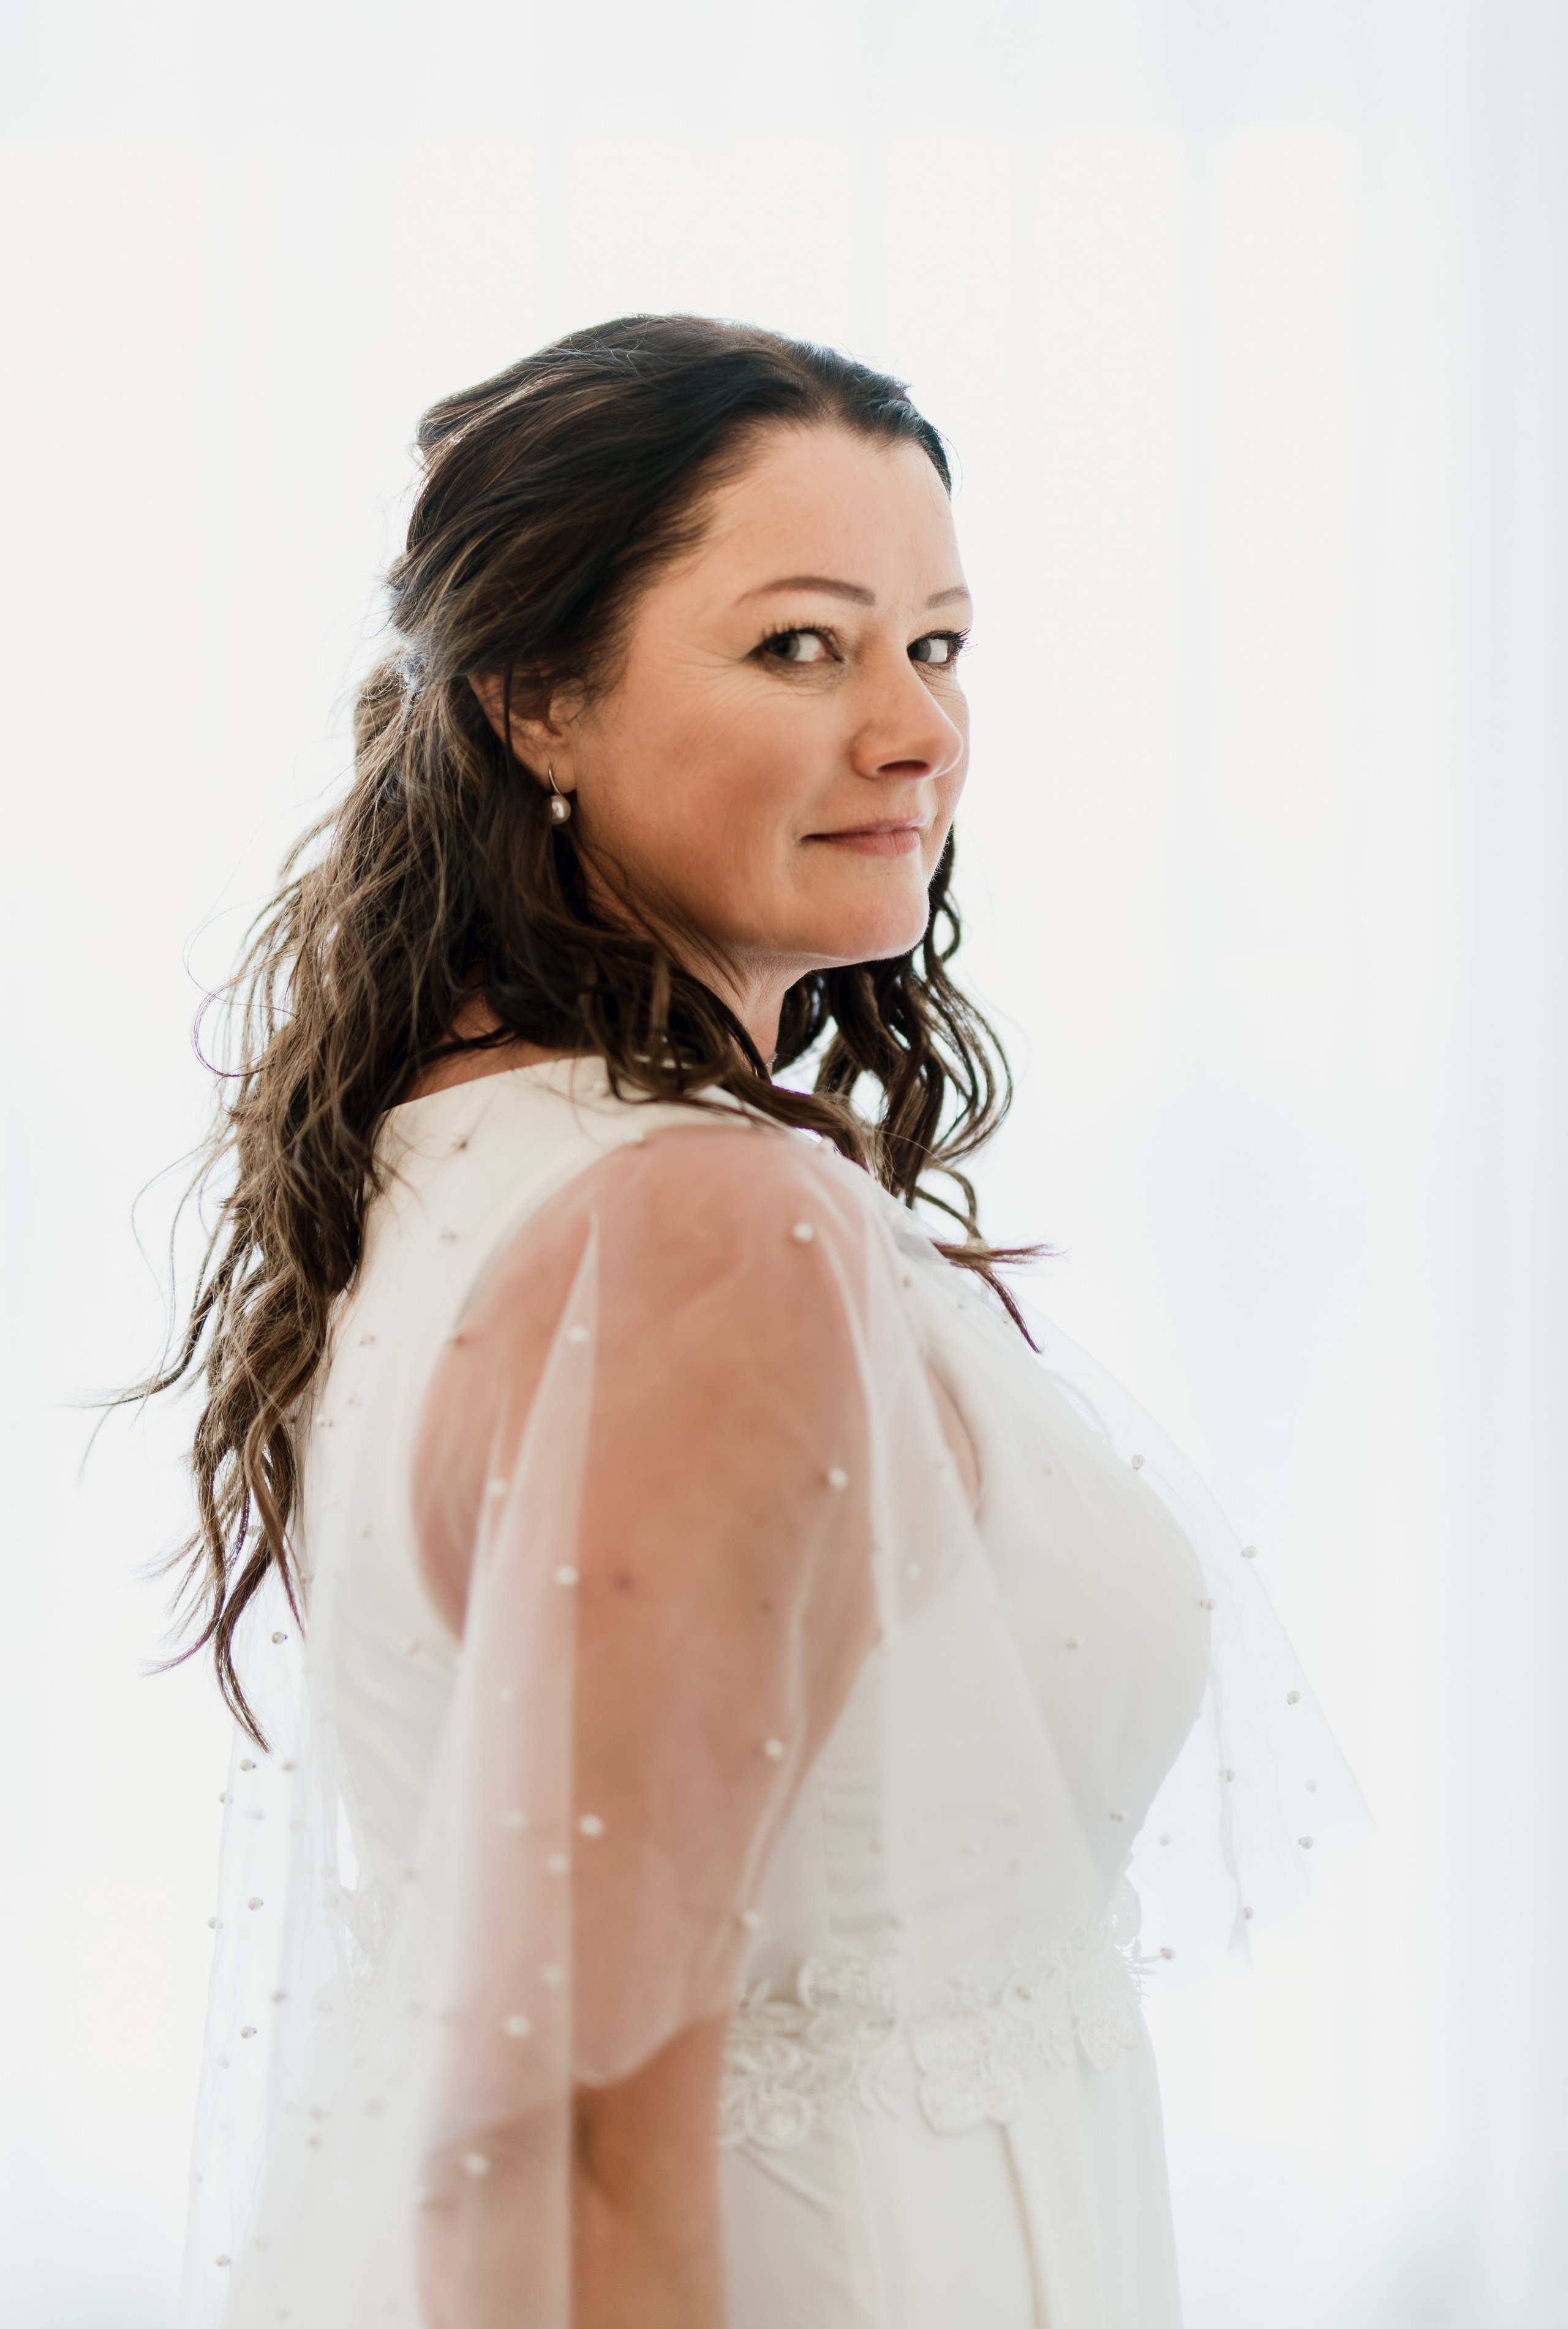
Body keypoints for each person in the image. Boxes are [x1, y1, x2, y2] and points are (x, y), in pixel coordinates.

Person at [160, 316, 1359, 2329]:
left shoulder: (480, 1152)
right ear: (538, 702)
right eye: (803, 645)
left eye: (940, 644)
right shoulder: (707, 1232)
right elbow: (560, 2152)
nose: (915, 730)